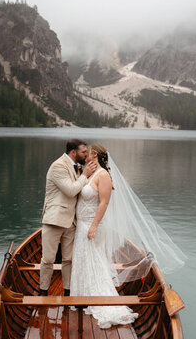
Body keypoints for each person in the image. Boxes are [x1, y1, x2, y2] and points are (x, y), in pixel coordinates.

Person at [70, 144, 187, 328]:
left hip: (92, 225)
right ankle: (83, 294)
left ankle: (100, 298)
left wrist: (93, 226)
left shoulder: (103, 175)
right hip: (82, 224)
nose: (85, 155)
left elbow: (104, 203)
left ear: (95, 155)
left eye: (88, 153)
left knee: (94, 260)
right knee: (83, 259)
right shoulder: (89, 173)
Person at [39, 139, 97, 296]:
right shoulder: (58, 166)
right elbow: (71, 190)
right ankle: (43, 292)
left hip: (72, 221)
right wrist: (85, 175)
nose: (86, 155)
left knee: (69, 259)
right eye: (83, 152)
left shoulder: (77, 167)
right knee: (48, 259)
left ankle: (68, 291)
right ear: (73, 152)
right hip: (54, 220)